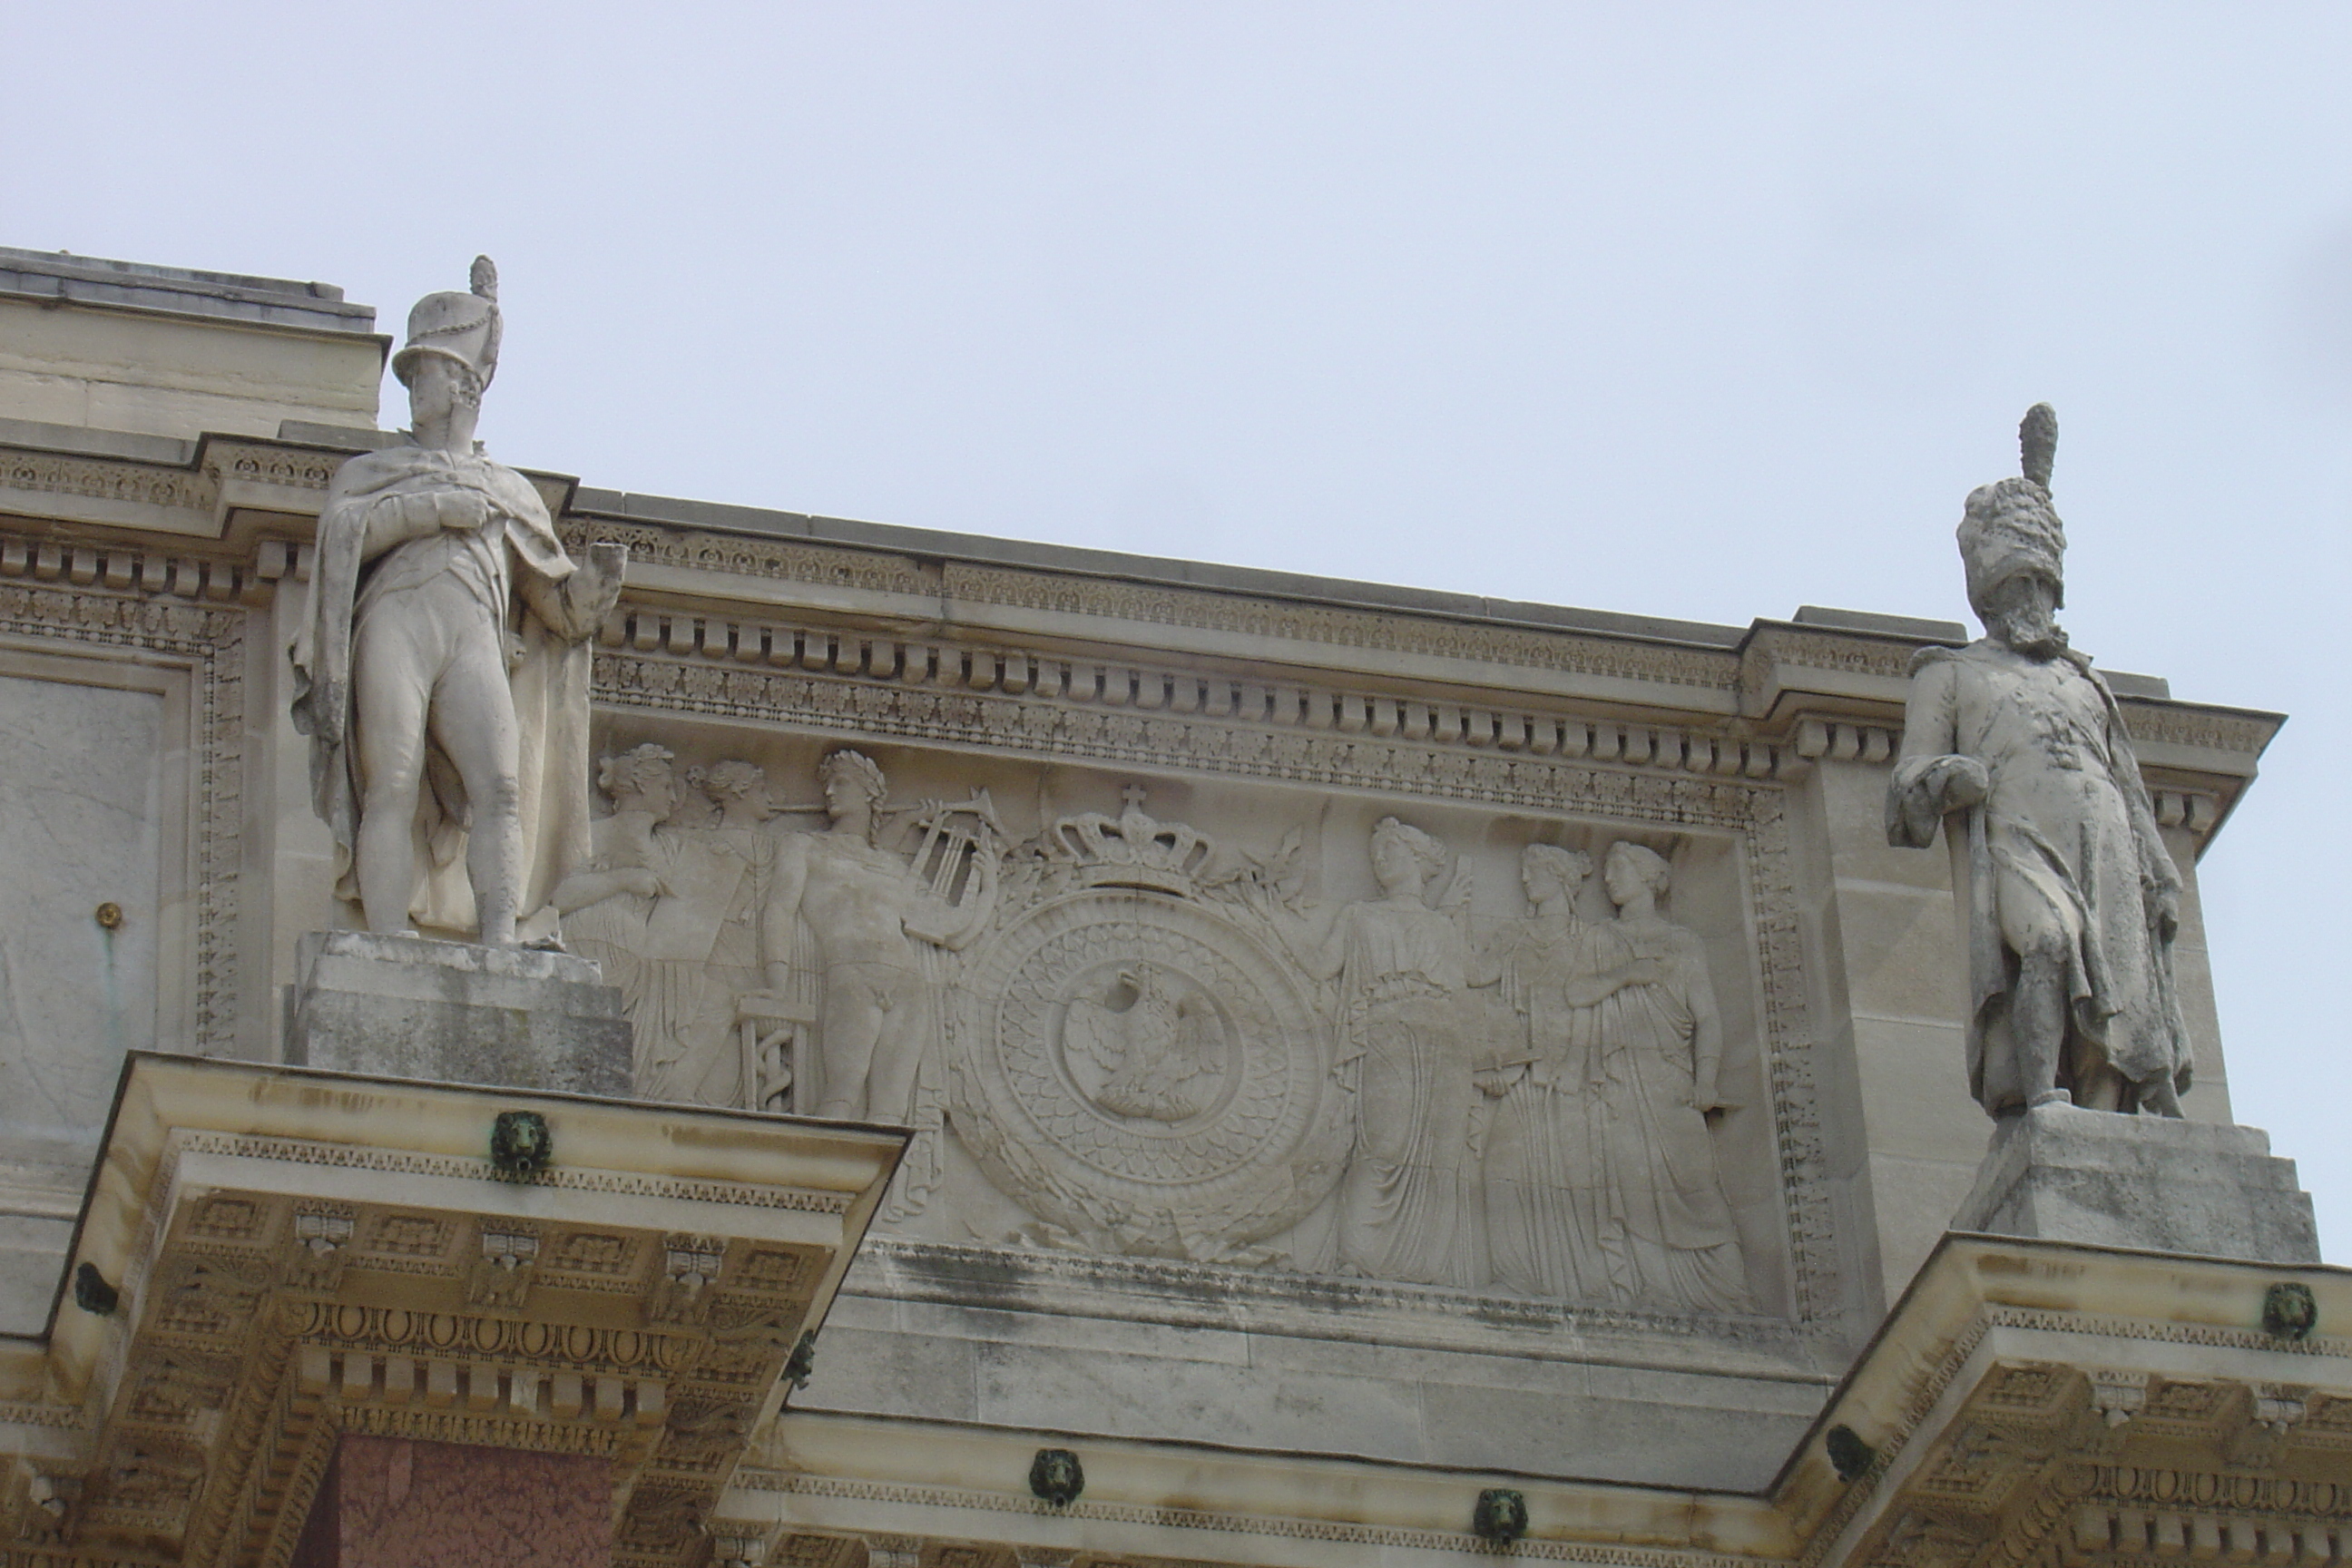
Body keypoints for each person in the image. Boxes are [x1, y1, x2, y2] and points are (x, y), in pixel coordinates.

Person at [289, 258, 623, 945]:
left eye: (427, 374)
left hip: (474, 636)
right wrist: (436, 509)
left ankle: (501, 939)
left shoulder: (510, 492)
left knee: (500, 788)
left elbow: (557, 608)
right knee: (392, 781)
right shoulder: (372, 473)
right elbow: (345, 538)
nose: (414, 388)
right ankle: (384, 939)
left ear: (465, 385)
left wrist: (595, 586)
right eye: (411, 376)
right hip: (395, 628)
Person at [1886, 405, 2190, 1116]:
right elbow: (1906, 788)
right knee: (2047, 943)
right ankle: (2041, 1096)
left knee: (2122, 977)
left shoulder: (2084, 680)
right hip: (2020, 836)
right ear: (1993, 590)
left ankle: (2106, 1104)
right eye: (2021, 586)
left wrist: (2162, 868)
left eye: (2043, 588)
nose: (2036, 603)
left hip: (2103, 836)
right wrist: (1945, 780)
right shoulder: (1949, 674)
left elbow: (2129, 786)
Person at [1301, 817, 1489, 1289]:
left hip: (1446, 1042)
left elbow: (1479, 975)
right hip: (1386, 1034)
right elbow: (1320, 965)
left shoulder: (1443, 926)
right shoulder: (1359, 915)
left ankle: (1428, 1266)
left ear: (1420, 861)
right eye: (1375, 853)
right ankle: (1357, 1258)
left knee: (1442, 1158)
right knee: (1382, 1144)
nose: (1379, 860)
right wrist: (1267, 915)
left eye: (1390, 850)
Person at [764, 750, 995, 1121]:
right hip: (852, 974)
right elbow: (779, 909)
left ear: (871, 794)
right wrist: (776, 983)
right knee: (843, 1091)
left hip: (908, 983)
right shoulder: (804, 846)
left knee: (892, 1108)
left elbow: (950, 932)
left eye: (842, 783)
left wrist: (989, 887)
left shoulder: (892, 864)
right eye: (827, 783)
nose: (828, 792)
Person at [1583, 842, 1751, 1313]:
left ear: (1646, 875)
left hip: (1670, 1080)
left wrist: (1707, 1078)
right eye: (1607, 869)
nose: (1609, 878)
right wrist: (1625, 975)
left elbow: (1708, 1018)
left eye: (1618, 868)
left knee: (1695, 1183)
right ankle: (1650, 1288)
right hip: (1616, 1081)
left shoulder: (1681, 942)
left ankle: (1729, 1291)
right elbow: (1575, 995)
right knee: (1630, 1185)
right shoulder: (1600, 939)